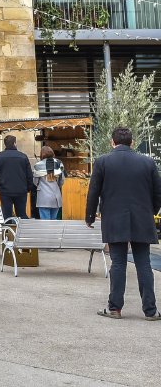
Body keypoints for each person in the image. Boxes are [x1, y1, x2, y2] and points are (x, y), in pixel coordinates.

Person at [85, 126, 161, 320]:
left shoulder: (102, 162)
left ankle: (115, 308)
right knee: (144, 262)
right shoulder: (148, 162)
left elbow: (93, 192)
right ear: (132, 142)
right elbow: (157, 193)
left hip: (114, 218)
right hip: (142, 218)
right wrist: (151, 212)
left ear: (112, 142)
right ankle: (150, 311)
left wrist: (90, 216)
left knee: (118, 262)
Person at [0, 134, 33, 219]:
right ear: (14, 143)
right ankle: (22, 231)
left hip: (5, 190)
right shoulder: (23, 156)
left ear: (5, 144)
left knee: (7, 216)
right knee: (21, 215)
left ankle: (7, 231)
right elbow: (29, 175)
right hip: (21, 190)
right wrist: (28, 188)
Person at [34, 146, 66, 220]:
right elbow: (62, 181)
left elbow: (35, 182)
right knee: (54, 221)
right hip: (56, 197)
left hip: (43, 198)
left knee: (45, 223)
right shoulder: (59, 163)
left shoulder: (38, 165)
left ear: (42, 154)